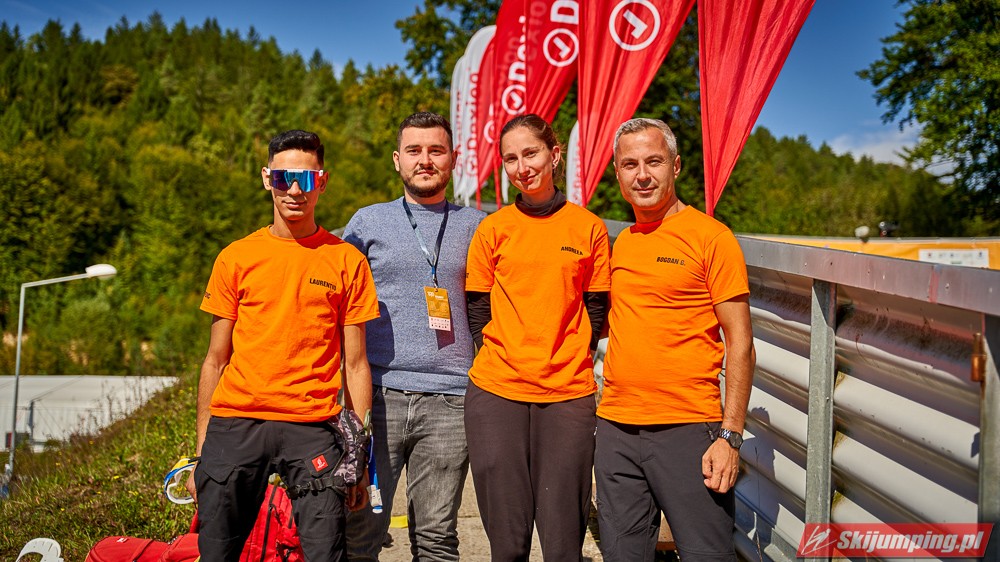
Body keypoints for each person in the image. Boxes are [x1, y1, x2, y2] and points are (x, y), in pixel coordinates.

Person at [189, 129, 379, 561]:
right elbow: (215, 360)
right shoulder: (236, 257)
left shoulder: (346, 261)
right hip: (237, 421)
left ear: (322, 182)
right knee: (216, 553)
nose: (294, 190)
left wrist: (359, 458)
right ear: (266, 178)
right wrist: (201, 454)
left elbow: (355, 365)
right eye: (283, 178)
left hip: (312, 425)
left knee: (326, 553)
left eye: (306, 179)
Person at [595, 118, 756, 562]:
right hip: (617, 430)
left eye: (654, 161)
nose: (642, 175)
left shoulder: (712, 238)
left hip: (689, 430)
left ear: (676, 165)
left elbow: (741, 343)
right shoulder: (622, 243)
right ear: (617, 173)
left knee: (707, 555)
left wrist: (730, 437)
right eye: (630, 164)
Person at [464, 113, 611, 560]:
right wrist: (507, 356)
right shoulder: (493, 229)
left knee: (563, 540)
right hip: (497, 392)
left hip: (566, 393)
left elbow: (597, 308)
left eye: (530, 153)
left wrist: (566, 354)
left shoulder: (588, 228)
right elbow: (477, 307)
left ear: (554, 154)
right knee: (507, 543)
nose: (522, 167)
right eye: (510, 159)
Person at [343, 112, 485, 561]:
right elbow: (335, 304)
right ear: (396, 159)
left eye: (436, 150)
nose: (425, 160)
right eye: (414, 150)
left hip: (451, 401)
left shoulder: (479, 226)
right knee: (360, 531)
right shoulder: (367, 223)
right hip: (377, 398)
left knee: (437, 538)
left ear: (453, 159)